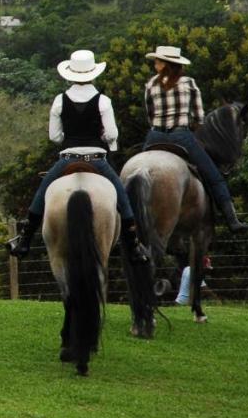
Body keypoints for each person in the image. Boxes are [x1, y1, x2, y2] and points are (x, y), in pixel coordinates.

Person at [8, 50, 149, 264]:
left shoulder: (59, 100)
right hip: (97, 160)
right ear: (93, 74)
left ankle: (24, 239)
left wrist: (71, 136)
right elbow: (112, 135)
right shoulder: (103, 100)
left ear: (70, 74)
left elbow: (54, 137)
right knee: (122, 197)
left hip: (68, 158)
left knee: (41, 193)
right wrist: (100, 135)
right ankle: (133, 244)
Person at [142, 45, 248, 234]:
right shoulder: (189, 83)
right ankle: (232, 221)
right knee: (215, 178)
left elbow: (149, 115)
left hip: (155, 136)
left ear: (166, 64)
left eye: (158, 61)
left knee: (135, 175)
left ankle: (126, 222)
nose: (155, 64)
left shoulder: (151, 84)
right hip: (181, 136)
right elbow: (199, 117)